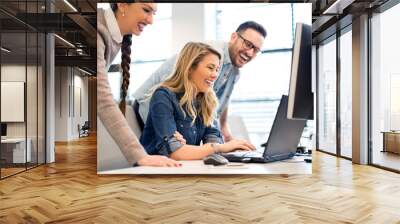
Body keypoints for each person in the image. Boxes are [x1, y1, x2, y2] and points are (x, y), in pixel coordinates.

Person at [133, 21, 266, 142]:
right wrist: (173, 136)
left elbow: (221, 100)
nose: (250, 53)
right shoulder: (211, 54)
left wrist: (224, 129)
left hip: (180, 120)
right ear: (234, 37)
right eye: (248, 44)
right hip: (151, 107)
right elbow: (171, 88)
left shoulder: (235, 71)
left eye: (256, 50)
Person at [97, 3, 181, 167]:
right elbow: (102, 99)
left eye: (154, 13)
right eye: (146, 10)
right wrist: (140, 156)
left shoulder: (113, 34)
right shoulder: (97, 30)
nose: (151, 20)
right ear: (122, 5)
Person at [140, 42, 256, 160]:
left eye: (217, 69)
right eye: (211, 68)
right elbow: (176, 153)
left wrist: (220, 148)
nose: (215, 75)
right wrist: (219, 148)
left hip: (183, 169)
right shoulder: (163, 97)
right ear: (190, 68)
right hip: (154, 172)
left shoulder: (206, 101)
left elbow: (213, 139)